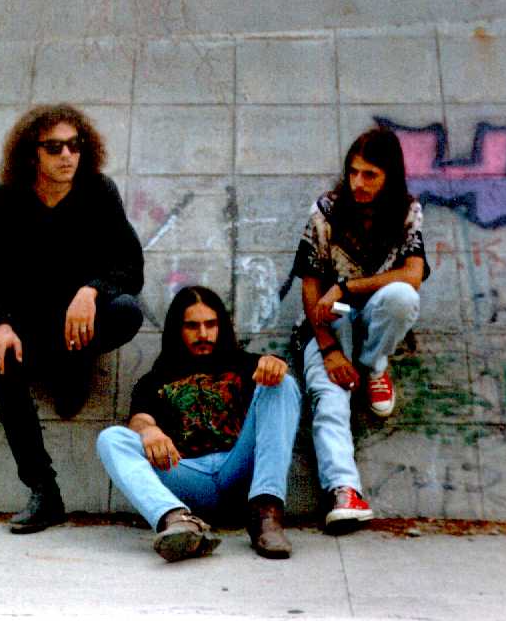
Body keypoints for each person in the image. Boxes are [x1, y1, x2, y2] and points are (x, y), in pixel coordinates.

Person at [0, 104, 144, 534]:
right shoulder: (7, 198)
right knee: (0, 363)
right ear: (32, 153)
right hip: (30, 321)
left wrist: (91, 290)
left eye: (75, 144)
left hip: (83, 316)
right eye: (54, 147)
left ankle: (74, 363)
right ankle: (44, 491)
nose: (67, 155)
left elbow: (130, 266)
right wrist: (1, 327)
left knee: (126, 311)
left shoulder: (98, 191)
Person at [96, 286, 300, 561]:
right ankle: (177, 521)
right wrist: (149, 431)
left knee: (282, 384)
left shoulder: (245, 365)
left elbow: (275, 386)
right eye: (192, 326)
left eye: (211, 324)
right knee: (111, 438)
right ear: (177, 330)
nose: (203, 334)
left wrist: (275, 365)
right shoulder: (155, 379)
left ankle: (266, 514)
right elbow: (140, 419)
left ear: (221, 327)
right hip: (188, 478)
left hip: (238, 471)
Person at [296, 127, 429, 533]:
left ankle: (374, 366)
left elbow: (413, 274)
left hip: (368, 308)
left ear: (389, 176)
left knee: (402, 297)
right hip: (329, 316)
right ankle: (344, 491)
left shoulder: (407, 210)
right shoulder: (326, 210)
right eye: (353, 172)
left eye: (370, 175)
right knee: (329, 397)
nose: (359, 183)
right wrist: (329, 350)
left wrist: (348, 286)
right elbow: (310, 287)